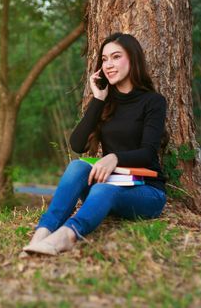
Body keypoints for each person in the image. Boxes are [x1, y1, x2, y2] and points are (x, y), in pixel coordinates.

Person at [23, 32, 168, 256]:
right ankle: (42, 233)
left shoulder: (153, 102)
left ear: (133, 58)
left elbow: (148, 153)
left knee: (104, 188)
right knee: (77, 166)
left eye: (116, 57)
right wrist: (98, 99)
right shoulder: (106, 101)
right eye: (104, 59)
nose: (108, 64)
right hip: (108, 186)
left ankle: (67, 236)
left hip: (146, 192)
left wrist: (114, 157)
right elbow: (78, 144)